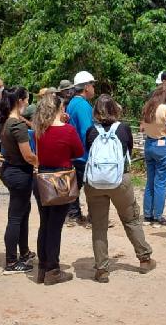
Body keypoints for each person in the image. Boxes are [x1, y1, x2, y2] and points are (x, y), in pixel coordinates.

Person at [83, 94, 156, 282]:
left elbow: (88, 152)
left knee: (99, 226)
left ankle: (102, 269)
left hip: (95, 183)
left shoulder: (91, 131)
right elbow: (128, 152)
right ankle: (145, 259)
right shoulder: (123, 129)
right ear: (115, 109)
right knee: (131, 219)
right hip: (120, 180)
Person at [32, 93, 84, 285]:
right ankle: (53, 269)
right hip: (61, 178)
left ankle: (43, 267)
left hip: (42, 178)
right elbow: (78, 151)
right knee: (55, 226)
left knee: (45, 223)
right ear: (59, 109)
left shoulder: (39, 130)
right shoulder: (68, 130)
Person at [0, 86, 38, 275]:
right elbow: (28, 155)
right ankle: (11, 261)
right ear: (20, 100)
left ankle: (24, 252)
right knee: (15, 217)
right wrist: (42, 162)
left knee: (22, 213)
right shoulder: (17, 125)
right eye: (27, 99)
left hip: (10, 169)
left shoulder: (5, 121)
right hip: (20, 173)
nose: (28, 102)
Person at [141, 84, 166, 225]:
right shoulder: (165, 109)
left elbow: (142, 127)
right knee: (161, 182)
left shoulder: (147, 107)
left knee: (150, 181)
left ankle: (147, 214)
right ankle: (158, 216)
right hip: (163, 145)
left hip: (149, 144)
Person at [66, 70, 96, 226]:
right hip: (83, 154)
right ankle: (93, 218)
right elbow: (87, 132)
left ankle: (73, 214)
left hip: (74, 153)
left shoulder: (72, 103)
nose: (94, 88)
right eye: (93, 85)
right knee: (91, 188)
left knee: (75, 186)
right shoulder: (83, 105)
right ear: (86, 87)